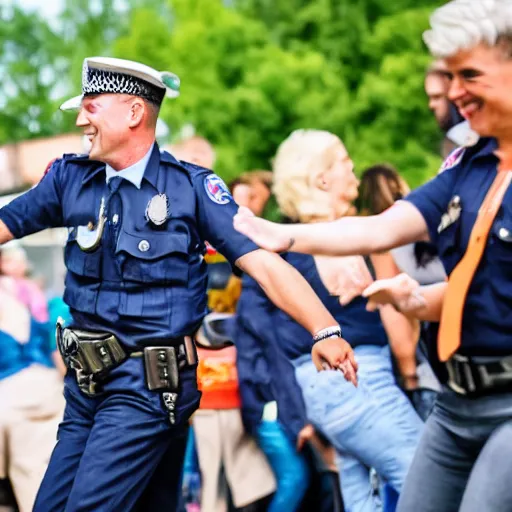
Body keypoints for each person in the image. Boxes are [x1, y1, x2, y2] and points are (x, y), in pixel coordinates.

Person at [0, 56, 356, 511]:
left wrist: (324, 329)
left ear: (134, 113)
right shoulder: (70, 178)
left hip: (146, 388)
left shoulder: (189, 189)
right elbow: (6, 222)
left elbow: (264, 263)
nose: (79, 119)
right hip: (86, 387)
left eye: (90, 106)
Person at [234, 1, 512, 509]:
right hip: (456, 404)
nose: (454, 93)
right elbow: (381, 227)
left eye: (469, 75)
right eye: (450, 77)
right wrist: (281, 234)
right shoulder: (467, 170)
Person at [240, 130, 423, 512]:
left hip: (333, 386)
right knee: (425, 477)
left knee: (363, 500)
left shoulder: (312, 245)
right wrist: (411, 376)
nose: (352, 166)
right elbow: (265, 339)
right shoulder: (313, 247)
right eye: (343, 160)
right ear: (321, 178)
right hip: (352, 380)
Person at [0, 244, 65, 512]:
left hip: (12, 393)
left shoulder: (11, 292)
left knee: (25, 478)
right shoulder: (36, 294)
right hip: (47, 389)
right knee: (41, 475)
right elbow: (54, 347)